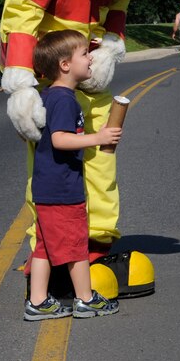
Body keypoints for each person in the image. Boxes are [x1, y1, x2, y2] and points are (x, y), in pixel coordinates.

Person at [26, 30, 121, 320]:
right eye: (84, 54)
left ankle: (38, 301)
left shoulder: (52, 96)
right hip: (63, 189)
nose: (91, 57)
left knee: (44, 247)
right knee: (76, 246)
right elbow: (60, 139)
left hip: (46, 187)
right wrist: (98, 137)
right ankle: (85, 298)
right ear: (65, 65)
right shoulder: (65, 100)